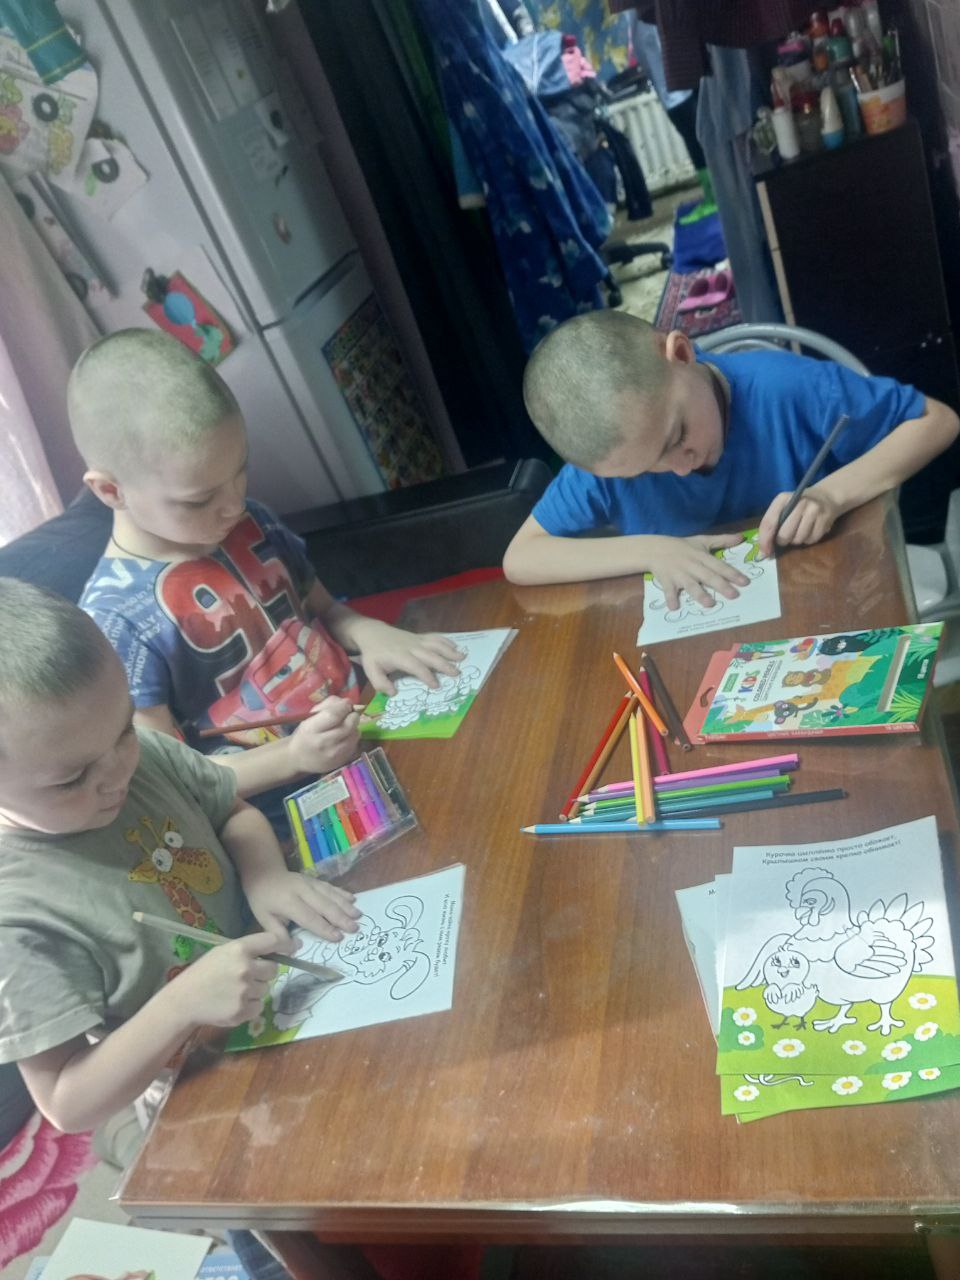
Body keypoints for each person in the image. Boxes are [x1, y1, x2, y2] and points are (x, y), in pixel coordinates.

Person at [0, 578, 359, 1135]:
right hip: (200, 1086)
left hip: (290, 987)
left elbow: (231, 811)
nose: (118, 773)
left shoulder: (135, 754)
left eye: (125, 730)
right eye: (72, 779)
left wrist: (264, 876)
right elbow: (67, 1103)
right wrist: (180, 1005)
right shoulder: (14, 918)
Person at [70, 330, 463, 824]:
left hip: (376, 726)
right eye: (199, 499)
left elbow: (323, 608)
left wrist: (368, 631)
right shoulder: (115, 624)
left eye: (241, 470)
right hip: (292, 809)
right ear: (110, 491)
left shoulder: (248, 520)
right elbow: (170, 777)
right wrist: (293, 757)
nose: (234, 504)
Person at [503, 311, 959, 605]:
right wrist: (650, 550)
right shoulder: (614, 459)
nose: (681, 467)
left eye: (678, 436)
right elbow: (521, 558)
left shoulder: (787, 388)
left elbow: (937, 422)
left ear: (682, 353)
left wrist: (830, 496)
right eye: (644, 470)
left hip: (830, 596)